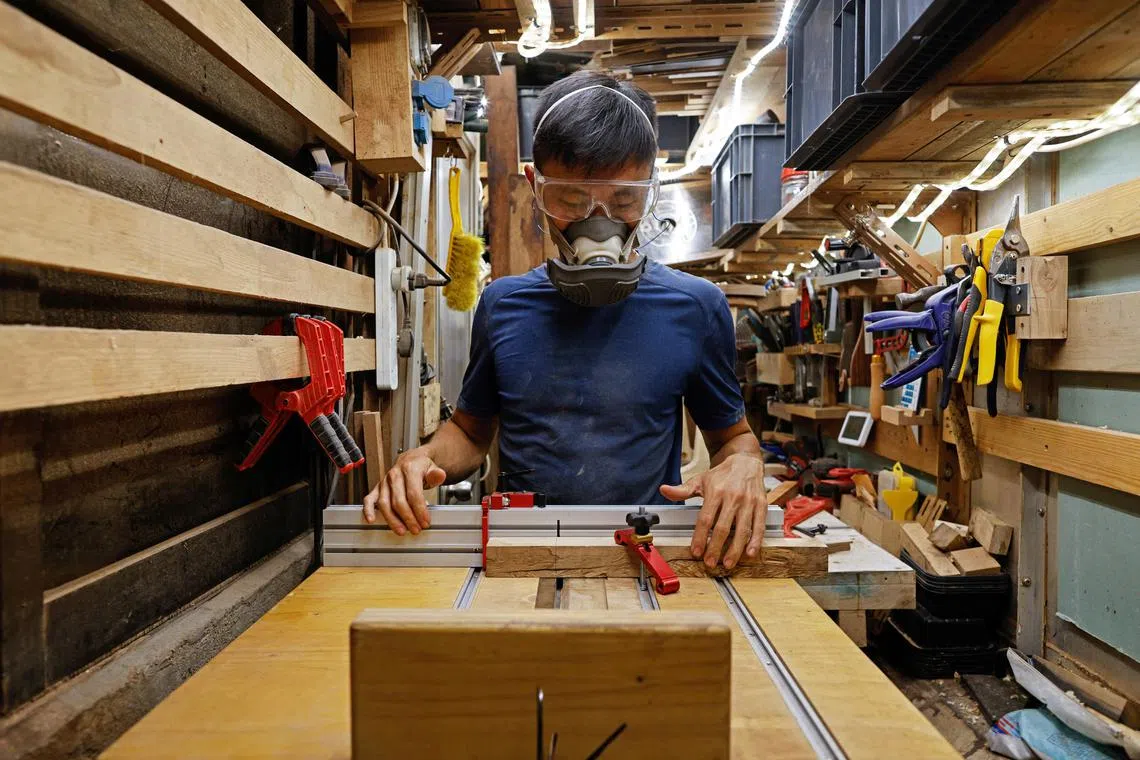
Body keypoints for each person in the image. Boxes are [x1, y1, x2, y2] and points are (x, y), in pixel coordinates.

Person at [364, 70, 768, 570]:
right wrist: (420, 458)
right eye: (571, 201)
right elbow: (470, 434)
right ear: (535, 186)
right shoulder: (503, 304)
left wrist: (746, 465)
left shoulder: (696, 307)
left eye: (623, 200)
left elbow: (732, 438)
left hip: (645, 555)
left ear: (651, 186)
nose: (598, 223)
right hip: (522, 551)